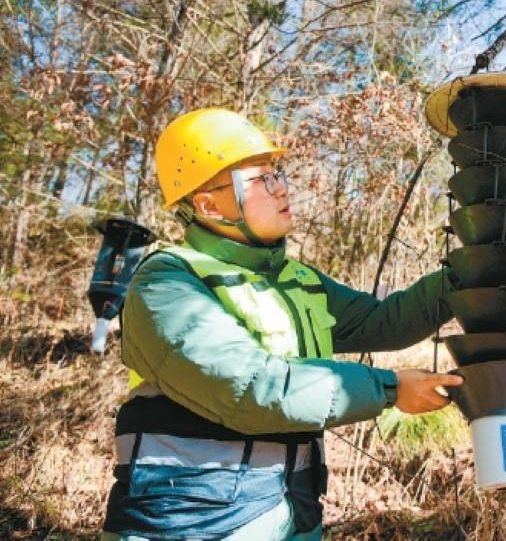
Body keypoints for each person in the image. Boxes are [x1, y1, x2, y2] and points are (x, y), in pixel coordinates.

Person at [101, 108, 463, 540]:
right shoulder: (167, 282)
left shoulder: (298, 281)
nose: (281, 188)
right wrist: (389, 389)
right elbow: (251, 388)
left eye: (278, 175)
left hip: (294, 514)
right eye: (261, 180)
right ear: (209, 204)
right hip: (189, 525)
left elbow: (386, 322)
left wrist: (473, 272)